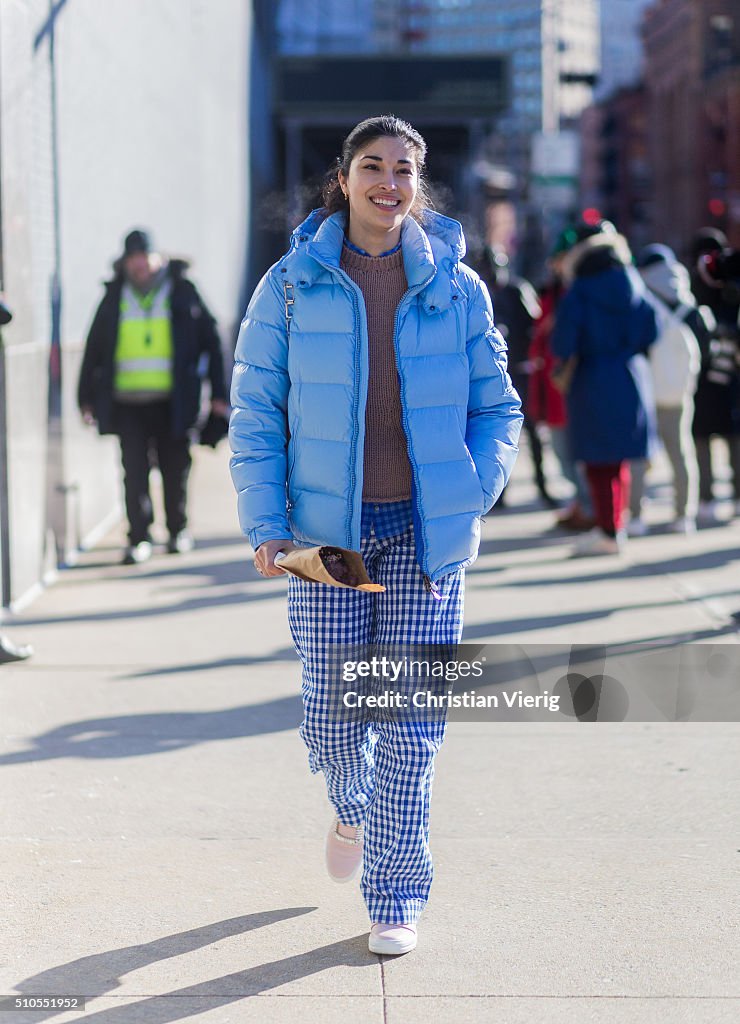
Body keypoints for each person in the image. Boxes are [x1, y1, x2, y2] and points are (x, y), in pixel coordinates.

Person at [229, 115, 522, 955]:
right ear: (346, 177)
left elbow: (497, 406)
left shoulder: (458, 287)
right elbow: (257, 416)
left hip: (425, 537)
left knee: (411, 719)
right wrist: (267, 526)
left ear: (417, 185)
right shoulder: (289, 284)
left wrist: (474, 488)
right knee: (330, 712)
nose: (388, 183)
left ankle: (395, 894)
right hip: (330, 541)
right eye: (373, 166)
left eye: (403, 169)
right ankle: (351, 805)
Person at [78, 230, 228, 564]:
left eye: (144, 256)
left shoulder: (182, 291)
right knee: (134, 471)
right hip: (127, 403)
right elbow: (95, 348)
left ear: (157, 257)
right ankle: (139, 537)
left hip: (174, 403)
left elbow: (212, 341)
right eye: (133, 258)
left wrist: (220, 393)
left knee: (176, 469)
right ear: (125, 262)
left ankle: (177, 530)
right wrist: (85, 397)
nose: (139, 264)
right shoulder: (115, 295)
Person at [553, 221, 659, 556]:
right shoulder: (633, 281)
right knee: (620, 460)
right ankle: (617, 525)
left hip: (592, 377)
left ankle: (608, 529)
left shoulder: (581, 289)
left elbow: (564, 339)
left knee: (597, 461)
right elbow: (651, 330)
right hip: (631, 374)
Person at [628, 245, 704, 535]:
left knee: (640, 455)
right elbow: (704, 347)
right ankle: (684, 515)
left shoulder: (642, 300)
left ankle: (636, 517)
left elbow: (635, 343)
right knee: (681, 453)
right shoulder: (688, 302)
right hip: (681, 390)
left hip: (647, 390)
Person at [475, 246, 553, 506]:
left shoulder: (516, 290)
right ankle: (500, 493)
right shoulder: (478, 293)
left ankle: (542, 486)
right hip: (495, 374)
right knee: (499, 436)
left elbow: (536, 324)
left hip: (521, 370)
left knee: (532, 432)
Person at [528, 230, 594, 530]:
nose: (558, 264)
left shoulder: (579, 293)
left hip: (571, 384)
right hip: (551, 381)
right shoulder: (551, 292)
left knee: (574, 452)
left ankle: (589, 507)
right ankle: (582, 503)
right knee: (561, 450)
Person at [688, 229, 740, 522]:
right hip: (729, 371)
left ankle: (707, 498)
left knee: (704, 436)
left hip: (703, 373)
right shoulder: (729, 284)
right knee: (732, 435)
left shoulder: (693, 284)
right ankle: (731, 497)